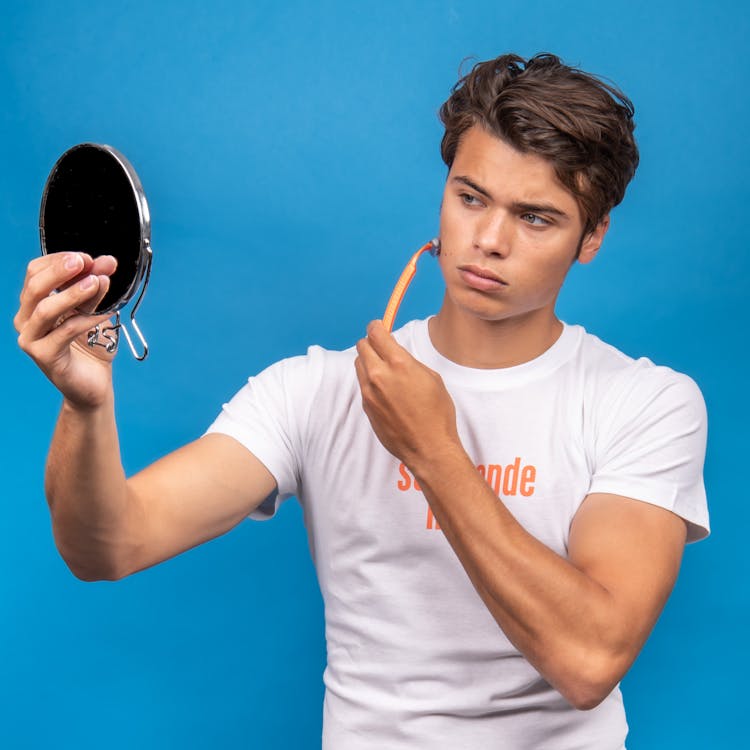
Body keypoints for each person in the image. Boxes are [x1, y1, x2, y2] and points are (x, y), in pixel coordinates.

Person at [15, 52, 709, 749]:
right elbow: (106, 546)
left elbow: (589, 662)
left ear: (593, 236)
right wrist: (86, 408)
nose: (489, 241)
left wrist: (433, 450)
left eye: (536, 218)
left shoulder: (646, 404)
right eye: (471, 198)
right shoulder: (315, 392)